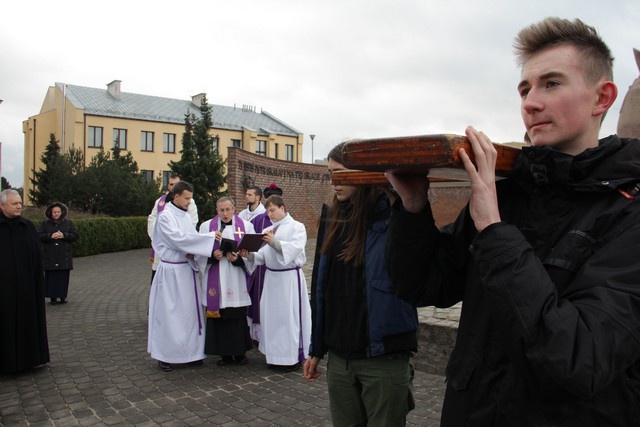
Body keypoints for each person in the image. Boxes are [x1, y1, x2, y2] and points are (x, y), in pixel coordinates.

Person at [385, 18, 640, 426]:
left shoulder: (628, 209)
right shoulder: (509, 191)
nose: (530, 102)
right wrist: (413, 210)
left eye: (551, 84)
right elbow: (423, 286)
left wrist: (494, 230)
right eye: (525, 88)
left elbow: (579, 358)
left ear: (602, 98)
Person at [303, 143, 419, 426]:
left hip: (382, 358)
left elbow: (416, 267)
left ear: (364, 173)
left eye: (341, 172)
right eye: (330, 173)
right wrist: (317, 349)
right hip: (341, 360)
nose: (334, 181)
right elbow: (321, 289)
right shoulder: (333, 218)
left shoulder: (393, 217)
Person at [147, 181, 216, 372]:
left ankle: (192, 354)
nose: (189, 202)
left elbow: (190, 238)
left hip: (187, 270)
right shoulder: (165, 217)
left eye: (190, 198)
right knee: (170, 314)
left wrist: (194, 251)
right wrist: (208, 238)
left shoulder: (185, 216)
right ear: (176, 196)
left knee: (190, 314)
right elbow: (178, 239)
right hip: (170, 272)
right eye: (186, 198)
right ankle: (166, 355)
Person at [241, 195, 311, 372]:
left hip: (288, 279)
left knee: (288, 319)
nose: (270, 214)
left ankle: (291, 358)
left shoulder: (297, 227)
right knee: (271, 318)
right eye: (267, 211)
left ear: (282, 207)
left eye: (272, 210)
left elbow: (294, 249)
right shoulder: (269, 229)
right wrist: (247, 254)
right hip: (271, 279)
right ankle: (274, 356)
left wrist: (273, 242)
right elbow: (262, 257)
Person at [197, 196, 254, 366]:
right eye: (221, 210)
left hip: (236, 278)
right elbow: (199, 252)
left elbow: (253, 254)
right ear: (217, 210)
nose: (225, 213)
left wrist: (239, 260)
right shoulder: (206, 227)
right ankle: (224, 353)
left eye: (228, 209)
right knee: (220, 315)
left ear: (234, 209)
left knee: (237, 315)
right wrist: (212, 257)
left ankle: (240, 352)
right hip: (217, 276)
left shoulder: (246, 227)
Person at [0, 189, 50, 373]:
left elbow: (37, 257)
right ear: (2, 205)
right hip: (4, 290)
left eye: (20, 203)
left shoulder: (27, 226)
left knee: (27, 320)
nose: (18, 206)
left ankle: (30, 359)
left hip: (27, 287)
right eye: (14, 203)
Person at [247, 183, 284, 343]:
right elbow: (252, 243)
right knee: (258, 298)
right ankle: (258, 334)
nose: (270, 213)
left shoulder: (290, 224)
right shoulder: (257, 220)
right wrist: (248, 253)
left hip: (280, 270)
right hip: (261, 267)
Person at [147, 174, 198, 282]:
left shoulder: (189, 203)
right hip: (165, 252)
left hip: (183, 254)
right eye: (171, 184)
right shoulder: (160, 202)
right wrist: (157, 237)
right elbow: (152, 220)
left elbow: (191, 224)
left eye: (176, 184)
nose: (173, 186)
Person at [39, 202, 79, 304]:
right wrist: (50, 236)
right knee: (51, 277)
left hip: (64, 256)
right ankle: (52, 297)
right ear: (50, 213)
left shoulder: (68, 223)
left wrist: (64, 235)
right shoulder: (45, 224)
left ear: (62, 212)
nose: (56, 214)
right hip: (50, 256)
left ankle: (62, 296)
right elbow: (39, 236)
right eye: (54, 212)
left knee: (62, 277)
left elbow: (75, 235)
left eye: (58, 212)